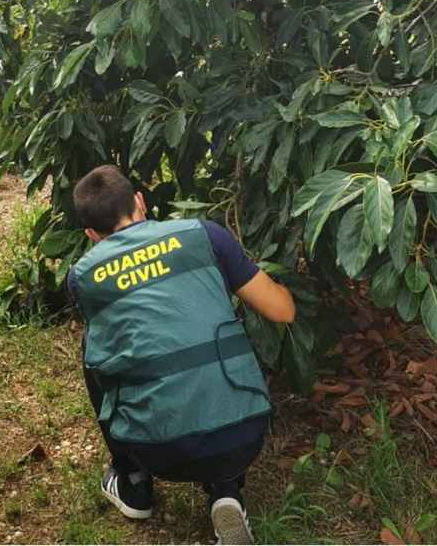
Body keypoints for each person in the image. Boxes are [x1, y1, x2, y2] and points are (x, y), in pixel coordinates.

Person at [66, 165, 295, 544]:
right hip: (244, 434)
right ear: (141, 201)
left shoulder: (82, 276)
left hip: (155, 449)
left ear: (92, 235)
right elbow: (282, 312)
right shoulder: (205, 235)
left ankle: (134, 482)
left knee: (94, 348)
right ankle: (226, 491)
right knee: (212, 331)